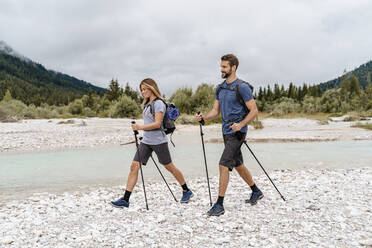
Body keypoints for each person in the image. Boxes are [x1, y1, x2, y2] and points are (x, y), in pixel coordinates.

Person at [196, 54, 263, 216]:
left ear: (233, 68)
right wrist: (204, 117)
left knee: (223, 164)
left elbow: (254, 111)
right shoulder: (220, 88)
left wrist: (240, 125)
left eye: (225, 67)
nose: (222, 69)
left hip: (238, 132)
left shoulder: (242, 87)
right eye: (221, 66)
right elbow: (215, 111)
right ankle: (256, 191)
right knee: (238, 164)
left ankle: (219, 204)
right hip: (225, 130)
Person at [111, 78, 193, 208]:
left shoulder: (158, 103)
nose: (143, 92)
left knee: (169, 166)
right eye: (141, 90)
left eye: (145, 89)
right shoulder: (147, 104)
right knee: (134, 166)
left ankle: (186, 190)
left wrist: (139, 128)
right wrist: (143, 134)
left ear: (152, 88)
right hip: (147, 141)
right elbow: (150, 122)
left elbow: (157, 124)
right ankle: (125, 199)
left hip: (159, 141)